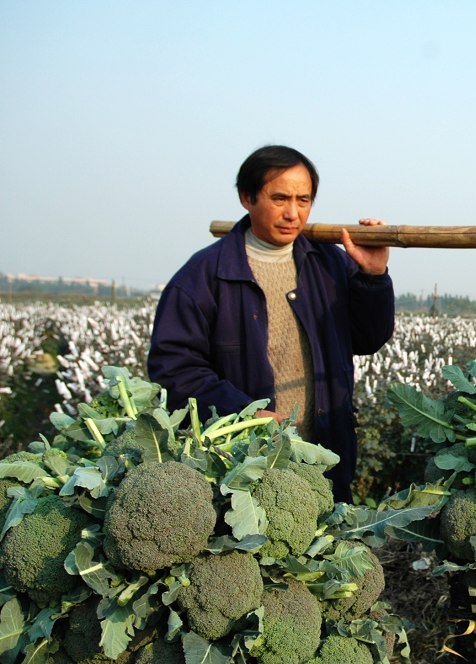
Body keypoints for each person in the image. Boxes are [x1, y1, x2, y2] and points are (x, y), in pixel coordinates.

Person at [148, 144, 395, 502]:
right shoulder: (204, 276)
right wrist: (243, 412)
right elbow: (174, 369)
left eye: (304, 200)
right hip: (238, 463)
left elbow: (368, 338)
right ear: (247, 198)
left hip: (324, 455)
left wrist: (372, 276)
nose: (293, 213)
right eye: (280, 198)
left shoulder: (329, 264)